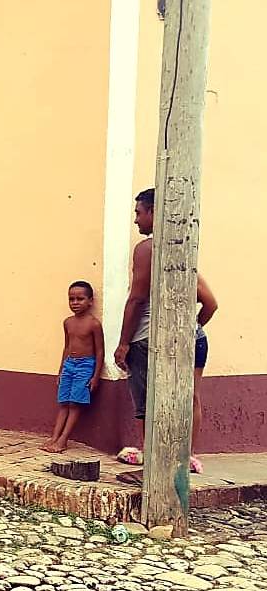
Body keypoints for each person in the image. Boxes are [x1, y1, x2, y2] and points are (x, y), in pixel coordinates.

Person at [113, 188, 219, 473]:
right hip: (191, 339)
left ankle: (152, 458)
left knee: (149, 401)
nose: (136, 220)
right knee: (190, 397)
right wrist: (191, 328)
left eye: (139, 212)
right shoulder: (182, 248)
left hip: (148, 337)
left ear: (154, 212)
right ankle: (187, 457)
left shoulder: (147, 249)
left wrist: (123, 342)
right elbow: (211, 303)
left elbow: (136, 299)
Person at [43, 281, 104, 453]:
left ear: (90, 301)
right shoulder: (68, 322)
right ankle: (54, 437)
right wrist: (61, 370)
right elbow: (67, 346)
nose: (75, 303)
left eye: (80, 299)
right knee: (64, 402)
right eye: (71, 299)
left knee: (75, 404)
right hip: (69, 364)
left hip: (85, 366)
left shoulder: (94, 324)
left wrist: (95, 376)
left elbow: (100, 351)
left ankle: (63, 440)